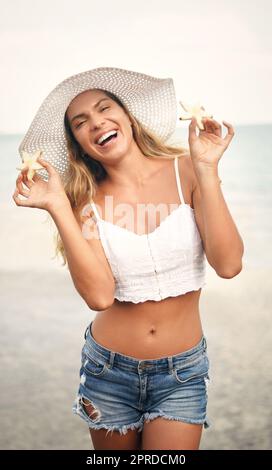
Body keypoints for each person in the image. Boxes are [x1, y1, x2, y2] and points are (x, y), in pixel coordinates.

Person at [13, 67, 244, 450]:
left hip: (182, 372)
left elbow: (229, 264)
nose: (96, 123)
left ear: (128, 117)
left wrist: (206, 169)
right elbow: (100, 297)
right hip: (108, 371)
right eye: (81, 122)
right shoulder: (84, 204)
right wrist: (57, 205)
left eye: (105, 109)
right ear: (80, 145)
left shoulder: (188, 170)